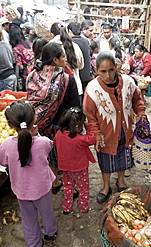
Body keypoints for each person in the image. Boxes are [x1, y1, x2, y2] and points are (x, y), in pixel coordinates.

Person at [83, 51, 146, 204]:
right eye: (103, 71)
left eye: (111, 70)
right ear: (96, 70)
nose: (108, 75)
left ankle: (121, 181)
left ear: (116, 67)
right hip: (106, 133)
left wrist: (141, 112)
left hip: (126, 129)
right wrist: (97, 133)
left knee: (124, 155)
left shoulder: (128, 82)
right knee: (106, 159)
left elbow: (137, 98)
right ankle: (106, 187)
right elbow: (89, 114)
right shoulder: (92, 88)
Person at [0, 100, 57, 247]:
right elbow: (49, 146)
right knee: (47, 212)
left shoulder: (6, 146)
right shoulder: (43, 142)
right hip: (42, 188)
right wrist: (35, 135)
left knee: (28, 218)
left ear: (10, 125)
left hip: (21, 190)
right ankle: (50, 232)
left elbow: (2, 162)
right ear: (35, 119)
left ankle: (34, 243)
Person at [26, 42, 80, 195]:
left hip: (37, 128)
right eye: (63, 56)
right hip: (59, 130)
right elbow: (76, 108)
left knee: (44, 158)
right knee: (58, 161)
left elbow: (30, 101)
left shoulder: (32, 76)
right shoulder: (67, 80)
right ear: (55, 60)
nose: (65, 59)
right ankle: (56, 182)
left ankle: (52, 183)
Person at [54, 107, 96, 214]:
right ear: (77, 127)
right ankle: (83, 206)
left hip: (65, 168)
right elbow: (92, 139)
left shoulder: (58, 134)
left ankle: (67, 207)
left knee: (68, 186)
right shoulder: (80, 139)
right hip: (80, 168)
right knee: (83, 188)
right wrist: (89, 126)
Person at [50, 23, 84, 99]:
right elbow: (81, 66)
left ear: (52, 34)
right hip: (76, 87)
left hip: (56, 90)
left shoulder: (50, 46)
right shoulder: (75, 46)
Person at [67, 21, 93, 93]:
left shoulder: (72, 43)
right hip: (87, 75)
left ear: (70, 31)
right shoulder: (85, 41)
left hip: (78, 77)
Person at [9, 25, 34, 92]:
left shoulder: (16, 49)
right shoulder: (30, 44)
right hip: (35, 72)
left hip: (26, 76)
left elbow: (21, 67)